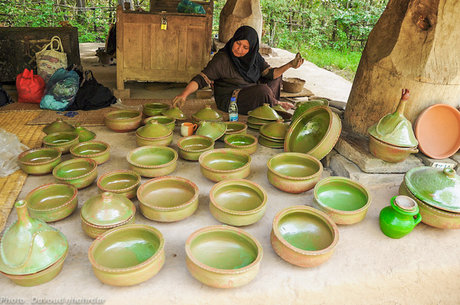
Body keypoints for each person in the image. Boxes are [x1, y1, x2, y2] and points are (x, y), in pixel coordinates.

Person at [172, 25, 304, 114]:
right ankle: (274, 105)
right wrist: (184, 94)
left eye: (245, 48)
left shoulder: (254, 57)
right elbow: (201, 79)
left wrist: (290, 65)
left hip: (251, 91)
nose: (239, 50)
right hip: (232, 100)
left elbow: (270, 74)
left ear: (251, 49)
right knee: (262, 90)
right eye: (238, 43)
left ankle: (270, 105)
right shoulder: (222, 59)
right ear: (233, 40)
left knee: (276, 78)